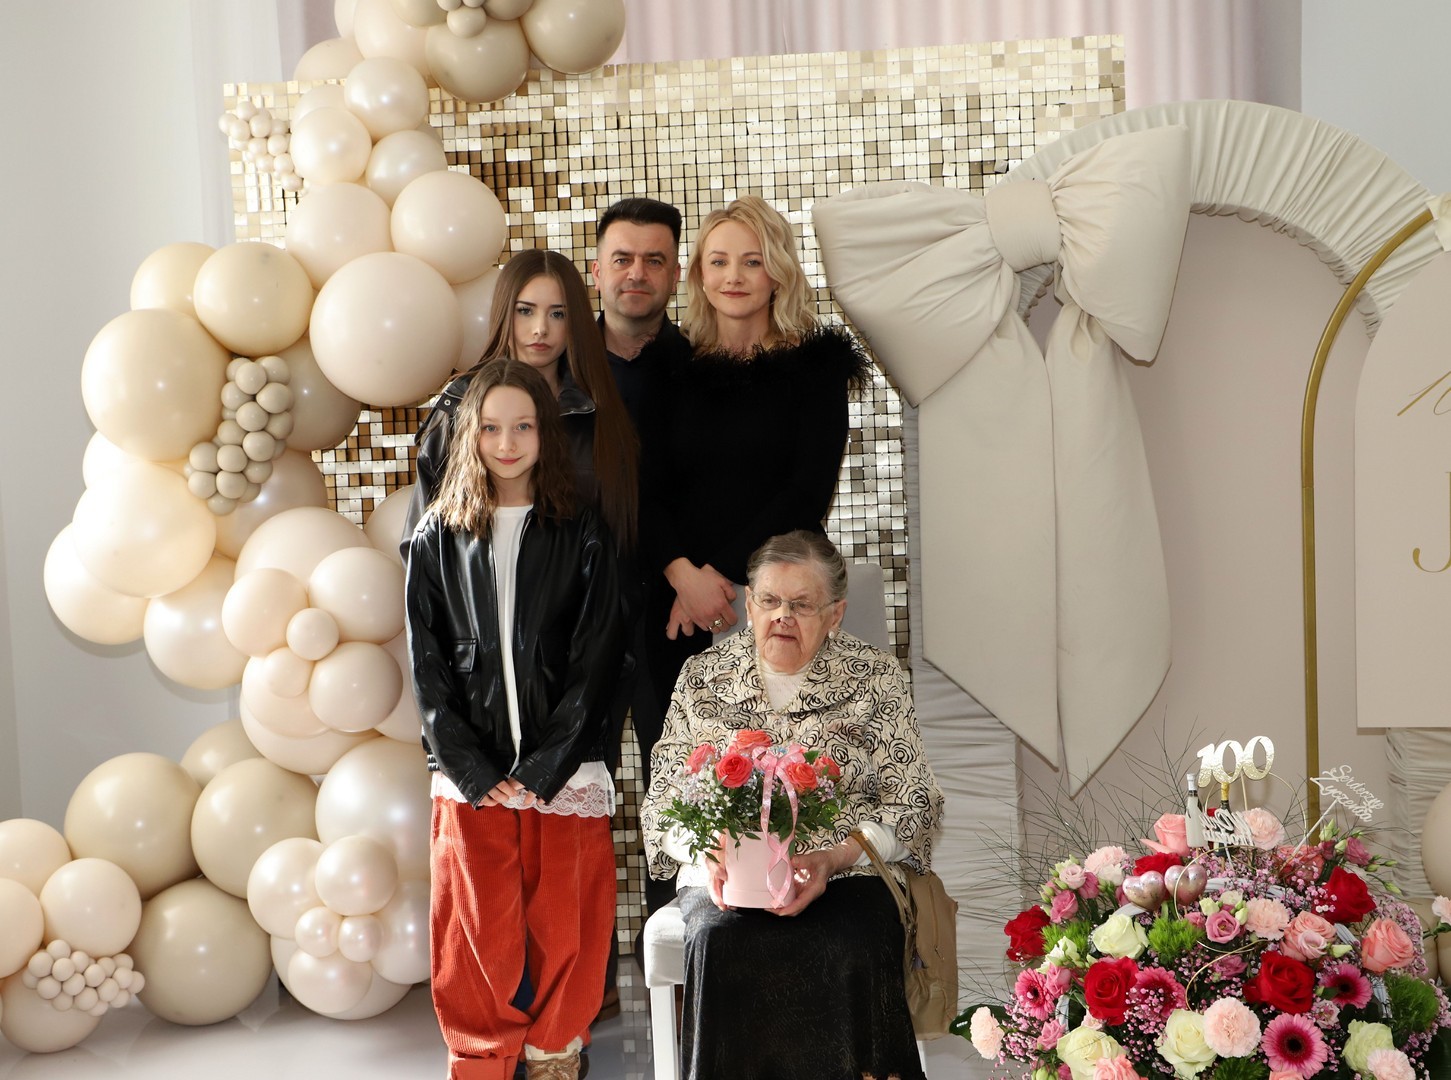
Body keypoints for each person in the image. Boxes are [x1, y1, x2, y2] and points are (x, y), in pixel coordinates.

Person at [641, 530, 943, 1080]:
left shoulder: (876, 678)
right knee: (716, 938)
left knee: (853, 938)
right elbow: (662, 800)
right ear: (749, 606)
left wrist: (836, 857)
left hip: (846, 873)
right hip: (729, 880)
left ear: (835, 615)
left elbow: (916, 800)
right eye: (770, 600)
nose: (783, 616)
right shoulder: (702, 676)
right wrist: (707, 852)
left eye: (802, 605)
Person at [405, 358, 623, 1080]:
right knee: (474, 925)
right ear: (469, 434)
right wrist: (468, 765)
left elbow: (597, 657)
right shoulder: (436, 535)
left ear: (545, 434)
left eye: (523, 427)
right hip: (474, 770)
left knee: (569, 918)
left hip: (562, 769)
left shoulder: (582, 531)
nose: (506, 443)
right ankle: (480, 1058)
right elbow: (427, 664)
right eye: (492, 428)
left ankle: (556, 1051)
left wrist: (548, 762)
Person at [642, 194, 871, 715]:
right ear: (699, 275)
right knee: (686, 760)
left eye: (752, 261)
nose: (734, 276)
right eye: (719, 261)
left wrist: (718, 579)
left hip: (783, 602)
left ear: (778, 273)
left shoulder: (816, 370)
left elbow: (807, 491)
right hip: (678, 608)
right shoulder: (667, 368)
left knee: (788, 757)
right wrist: (683, 577)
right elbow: (645, 489)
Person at [591, 197, 694, 934]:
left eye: (654, 260)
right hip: (579, 612)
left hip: (673, 611)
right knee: (578, 786)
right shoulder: (558, 370)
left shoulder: (702, 370)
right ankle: (584, 967)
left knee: (679, 786)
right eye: (622, 258)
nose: (637, 273)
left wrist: (695, 573)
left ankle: (676, 956)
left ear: (675, 274)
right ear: (596, 271)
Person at [404, 248, 639, 557]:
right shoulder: (461, 407)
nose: (541, 328)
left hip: (586, 587)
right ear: (505, 312)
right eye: (525, 311)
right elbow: (421, 544)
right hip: (480, 587)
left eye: (558, 314)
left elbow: (620, 534)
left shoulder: (598, 409)